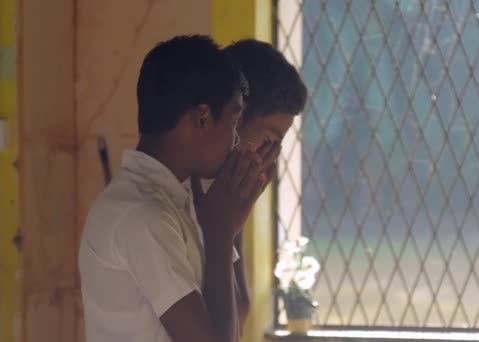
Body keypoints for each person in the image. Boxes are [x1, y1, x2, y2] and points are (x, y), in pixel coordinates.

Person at [79, 35, 278, 342]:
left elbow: (237, 312)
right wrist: (220, 232)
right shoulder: (141, 215)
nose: (237, 141)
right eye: (234, 121)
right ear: (202, 118)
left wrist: (231, 213)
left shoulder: (180, 202)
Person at [222, 38, 308, 330]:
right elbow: (231, 318)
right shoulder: (182, 200)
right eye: (268, 141)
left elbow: (240, 310)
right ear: (235, 116)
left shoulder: (223, 193)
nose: (267, 156)